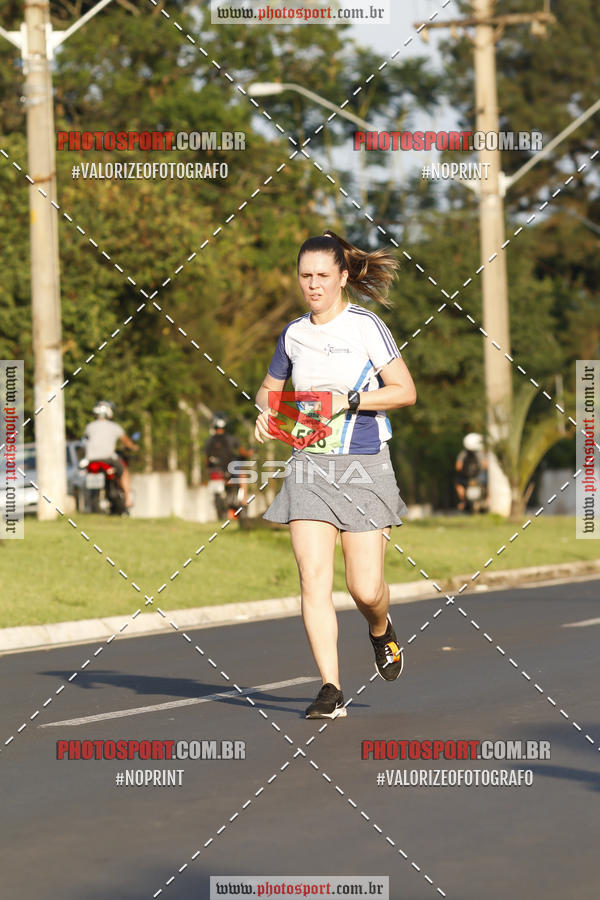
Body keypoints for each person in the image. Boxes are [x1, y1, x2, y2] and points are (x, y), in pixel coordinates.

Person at [254, 231, 417, 720]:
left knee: (365, 589)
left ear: (343, 276)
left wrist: (352, 400)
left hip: (364, 466)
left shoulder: (366, 326)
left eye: (323, 275)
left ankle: (380, 628)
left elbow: (404, 391)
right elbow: (268, 390)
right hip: (307, 467)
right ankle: (330, 688)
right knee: (313, 579)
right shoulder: (293, 335)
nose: (314, 285)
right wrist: (264, 411)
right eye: (306, 276)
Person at [83, 401, 138, 509]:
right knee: (124, 471)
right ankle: (128, 499)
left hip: (91, 460)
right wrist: (133, 447)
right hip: (108, 459)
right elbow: (126, 441)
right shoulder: (114, 427)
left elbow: (84, 440)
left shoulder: (89, 427)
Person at [455, 432, 487, 512]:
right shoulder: (480, 453)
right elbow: (485, 465)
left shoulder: (463, 453)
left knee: (458, 484)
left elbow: (458, 466)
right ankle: (487, 499)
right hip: (478, 477)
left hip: (466, 478)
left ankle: (463, 501)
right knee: (488, 483)